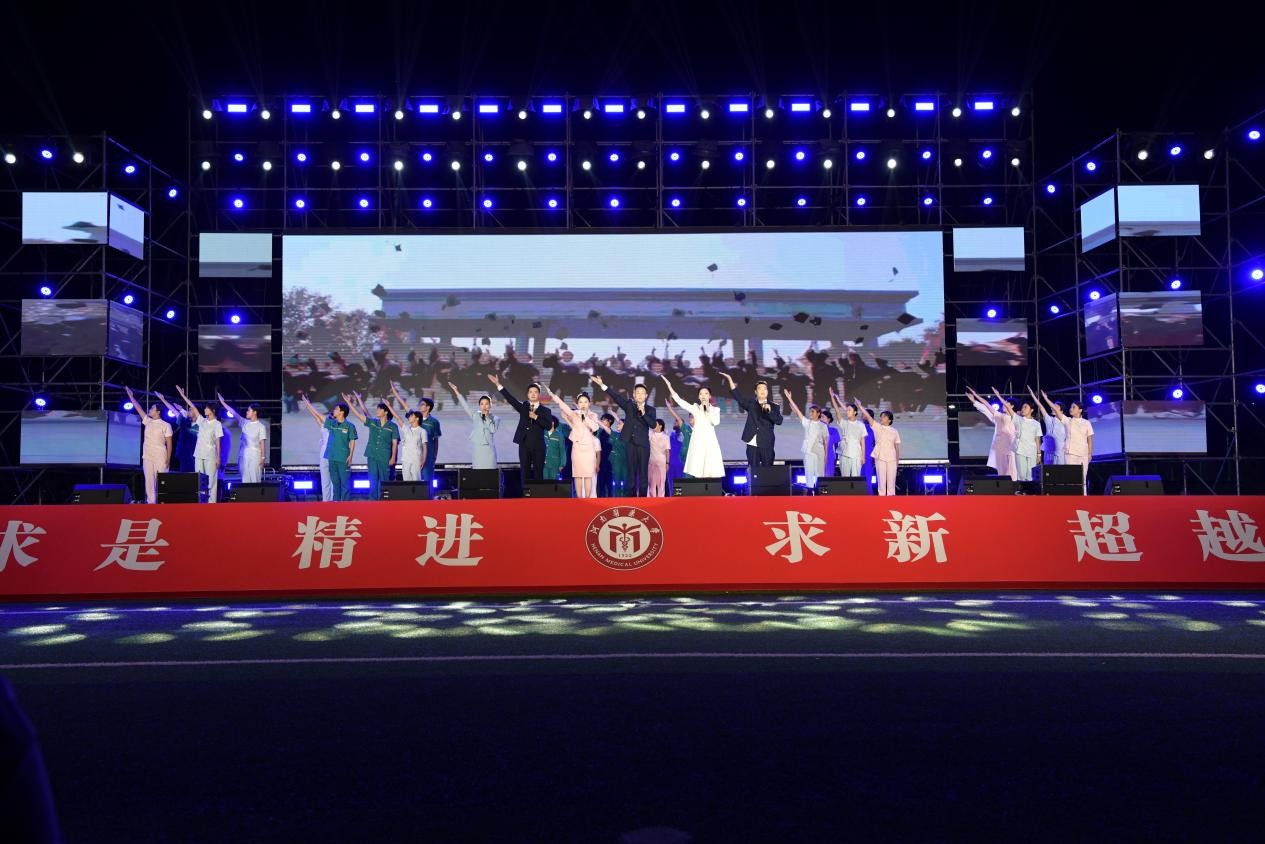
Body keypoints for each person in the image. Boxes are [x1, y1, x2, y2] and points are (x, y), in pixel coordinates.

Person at [590, 376, 656, 496]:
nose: (640, 395)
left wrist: (643, 413)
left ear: (646, 395)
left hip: (643, 445)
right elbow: (616, 397)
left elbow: (653, 425)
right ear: (634, 395)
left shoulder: (651, 410)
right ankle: (631, 499)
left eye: (642, 393)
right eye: (637, 393)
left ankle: (643, 500)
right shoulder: (629, 406)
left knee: (643, 474)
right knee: (631, 474)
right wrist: (602, 385)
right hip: (629, 443)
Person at [490, 374, 553, 485]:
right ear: (527, 394)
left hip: (538, 446)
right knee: (525, 472)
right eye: (530, 392)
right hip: (524, 444)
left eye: (535, 392)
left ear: (539, 394)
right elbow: (511, 400)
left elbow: (548, 426)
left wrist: (536, 417)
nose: (533, 394)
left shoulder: (545, 411)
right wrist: (498, 385)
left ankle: (538, 494)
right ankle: (526, 494)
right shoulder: (524, 407)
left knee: (538, 473)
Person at [543, 386, 602, 498]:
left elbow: (595, 428)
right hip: (577, 448)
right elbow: (562, 405)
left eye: (585, 402)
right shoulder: (574, 414)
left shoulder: (593, 415)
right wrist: (552, 395)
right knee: (578, 475)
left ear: (589, 403)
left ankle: (587, 500)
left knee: (588, 476)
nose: (583, 404)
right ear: (578, 404)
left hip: (589, 449)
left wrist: (585, 417)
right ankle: (579, 500)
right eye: (581, 402)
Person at [719, 371, 782, 475]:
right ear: (756, 392)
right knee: (753, 472)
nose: (762, 390)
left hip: (767, 442)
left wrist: (770, 411)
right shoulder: (751, 404)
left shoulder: (774, 406)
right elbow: (738, 396)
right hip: (752, 441)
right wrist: (730, 379)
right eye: (760, 389)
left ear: (767, 391)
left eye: (764, 389)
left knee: (768, 471)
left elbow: (779, 421)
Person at [660, 375, 723, 479]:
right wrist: (670, 386)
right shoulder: (695, 408)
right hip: (697, 443)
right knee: (696, 471)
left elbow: (715, 422)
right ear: (698, 397)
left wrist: (707, 409)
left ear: (710, 396)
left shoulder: (715, 410)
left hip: (709, 442)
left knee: (709, 472)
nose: (703, 396)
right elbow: (680, 402)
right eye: (701, 394)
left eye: (706, 393)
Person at [299, 393, 357, 501]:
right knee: (329, 482)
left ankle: (340, 502)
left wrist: (350, 456)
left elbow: (352, 440)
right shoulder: (329, 425)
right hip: (327, 455)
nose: (333, 412)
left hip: (338, 456)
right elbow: (316, 415)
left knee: (339, 482)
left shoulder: (345, 425)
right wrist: (307, 403)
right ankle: (329, 502)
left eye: (335, 410)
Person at [343, 393, 398, 500]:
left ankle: (384, 501)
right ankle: (373, 501)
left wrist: (393, 458)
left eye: (379, 409)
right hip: (372, 455)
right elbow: (360, 415)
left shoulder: (393, 426)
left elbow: (395, 443)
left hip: (384, 456)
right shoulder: (373, 422)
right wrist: (349, 402)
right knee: (373, 480)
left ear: (386, 412)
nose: (377, 411)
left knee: (384, 480)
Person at [124, 387, 172, 505]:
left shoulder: (166, 425)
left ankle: (163, 502)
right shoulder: (148, 421)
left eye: (152, 408)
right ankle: (151, 503)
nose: (150, 410)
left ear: (158, 412)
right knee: (149, 481)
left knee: (161, 480)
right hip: (148, 455)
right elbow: (138, 408)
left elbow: (169, 443)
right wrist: (131, 396)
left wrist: (168, 458)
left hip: (160, 455)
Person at [176, 386, 223, 503]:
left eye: (207, 408)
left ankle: (212, 503)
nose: (205, 410)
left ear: (213, 410)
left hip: (210, 455)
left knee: (211, 480)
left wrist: (218, 457)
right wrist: (183, 396)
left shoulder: (217, 424)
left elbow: (218, 441)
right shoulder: (202, 421)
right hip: (198, 454)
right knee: (200, 480)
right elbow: (192, 406)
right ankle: (201, 503)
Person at [1045, 393, 1094, 494]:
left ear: (1080, 410)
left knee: (1082, 478)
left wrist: (1090, 453)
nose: (1071, 409)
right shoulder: (1067, 420)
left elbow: (1090, 439)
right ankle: (1072, 498)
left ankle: (1084, 498)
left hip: (1083, 454)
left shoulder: (1086, 423)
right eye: (1071, 407)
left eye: (1073, 407)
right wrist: (1046, 399)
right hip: (1070, 453)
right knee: (1071, 477)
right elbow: (1056, 410)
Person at [853, 396, 900, 496]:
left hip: (892, 458)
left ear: (889, 420)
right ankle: (881, 497)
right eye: (881, 416)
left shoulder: (894, 431)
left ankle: (891, 496)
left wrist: (897, 459)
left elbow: (896, 446)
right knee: (881, 480)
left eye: (884, 417)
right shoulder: (877, 427)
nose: (881, 418)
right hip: (880, 457)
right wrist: (860, 406)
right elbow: (868, 416)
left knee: (891, 480)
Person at [967, 386, 1017, 481]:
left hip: (1011, 450)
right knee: (1002, 473)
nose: (1003, 405)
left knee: (1013, 473)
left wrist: (998, 395)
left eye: (1006, 403)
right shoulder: (999, 416)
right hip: (1000, 449)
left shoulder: (1016, 418)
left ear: (1012, 406)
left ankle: (1015, 488)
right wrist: (975, 398)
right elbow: (986, 406)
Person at [447, 383, 500, 470]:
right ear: (479, 406)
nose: (484, 406)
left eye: (486, 404)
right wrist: (456, 391)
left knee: (490, 473)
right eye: (482, 404)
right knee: (478, 473)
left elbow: (492, 429)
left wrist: (486, 416)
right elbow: (465, 405)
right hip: (478, 449)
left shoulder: (495, 418)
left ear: (490, 405)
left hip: (489, 450)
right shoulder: (475, 415)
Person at [217, 393, 267, 484]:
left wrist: (263, 458)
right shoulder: (244, 423)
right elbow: (233, 413)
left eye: (249, 410)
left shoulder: (261, 427)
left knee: (255, 479)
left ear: (255, 412)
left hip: (255, 456)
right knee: (245, 480)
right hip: (244, 455)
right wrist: (223, 403)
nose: (247, 412)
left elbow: (262, 443)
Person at [783, 389, 828, 488]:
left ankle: (821, 492)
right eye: (810, 412)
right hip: (808, 453)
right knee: (809, 474)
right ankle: (810, 491)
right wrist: (789, 398)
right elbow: (798, 411)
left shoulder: (823, 426)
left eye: (812, 412)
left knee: (820, 474)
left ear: (818, 413)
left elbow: (825, 441)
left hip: (819, 453)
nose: (810, 413)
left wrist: (826, 455)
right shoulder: (807, 423)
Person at [384, 397, 429, 483]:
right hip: (406, 459)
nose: (409, 418)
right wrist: (389, 406)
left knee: (416, 481)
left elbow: (425, 447)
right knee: (406, 482)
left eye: (411, 416)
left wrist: (423, 460)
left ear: (417, 418)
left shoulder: (422, 431)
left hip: (416, 460)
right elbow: (398, 418)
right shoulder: (406, 429)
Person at [1002, 395, 1044, 485]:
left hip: (1032, 451)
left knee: (1031, 474)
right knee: (1021, 474)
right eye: (1022, 407)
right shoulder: (1018, 419)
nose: (1023, 409)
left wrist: (1039, 454)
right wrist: (999, 396)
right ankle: (1022, 490)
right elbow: (1008, 407)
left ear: (1031, 410)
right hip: (1020, 450)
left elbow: (1037, 439)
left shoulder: (1036, 424)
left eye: (1025, 407)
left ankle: (1030, 491)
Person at [828, 390, 868, 478]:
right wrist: (832, 398)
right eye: (847, 410)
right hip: (844, 455)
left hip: (856, 455)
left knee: (856, 478)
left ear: (855, 412)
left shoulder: (860, 425)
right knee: (845, 479)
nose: (847, 412)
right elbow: (837, 411)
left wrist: (863, 456)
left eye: (849, 410)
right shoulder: (844, 423)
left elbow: (862, 441)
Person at [1031, 386, 1066, 466]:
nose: (1052, 408)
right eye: (1052, 406)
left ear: (1061, 410)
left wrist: (1046, 398)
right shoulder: (1049, 419)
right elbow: (1041, 407)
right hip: (1049, 450)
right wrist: (1033, 396)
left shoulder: (1065, 420)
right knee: (1048, 470)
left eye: (1055, 407)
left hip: (1060, 450)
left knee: (1061, 470)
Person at [647, 419, 672, 497]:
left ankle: (661, 499)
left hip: (662, 462)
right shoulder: (650, 434)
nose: (653, 425)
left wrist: (667, 463)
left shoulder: (666, 437)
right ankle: (651, 499)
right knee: (651, 482)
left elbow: (667, 451)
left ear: (660, 426)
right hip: (651, 461)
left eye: (656, 424)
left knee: (661, 483)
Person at [597, 413, 616, 496]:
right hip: (599, 461)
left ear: (610, 421)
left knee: (609, 485)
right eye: (601, 419)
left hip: (610, 463)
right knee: (600, 485)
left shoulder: (613, 434)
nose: (601, 421)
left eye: (603, 419)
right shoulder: (599, 432)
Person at [609, 417, 628, 495]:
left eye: (619, 424)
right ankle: (617, 498)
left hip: (626, 462)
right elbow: (607, 429)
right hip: (616, 461)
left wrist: (617, 417)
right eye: (617, 424)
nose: (617, 425)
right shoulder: (615, 434)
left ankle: (626, 499)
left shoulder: (628, 436)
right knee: (616, 481)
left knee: (626, 482)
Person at [821, 408, 839, 478]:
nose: (821, 419)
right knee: (819, 475)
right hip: (819, 454)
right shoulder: (817, 429)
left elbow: (836, 446)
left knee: (829, 475)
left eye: (823, 417)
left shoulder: (834, 430)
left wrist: (836, 458)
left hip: (830, 455)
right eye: (820, 417)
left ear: (828, 419)